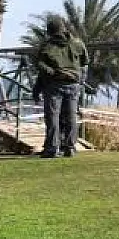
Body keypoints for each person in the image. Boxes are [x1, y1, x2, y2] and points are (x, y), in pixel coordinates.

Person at [34, 16, 88, 158]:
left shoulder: (47, 47)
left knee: (53, 117)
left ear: (49, 31)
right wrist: (81, 81)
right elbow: (85, 64)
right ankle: (70, 147)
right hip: (74, 84)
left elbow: (41, 69)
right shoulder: (78, 43)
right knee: (71, 116)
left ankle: (52, 148)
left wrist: (37, 89)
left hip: (54, 85)